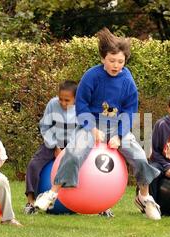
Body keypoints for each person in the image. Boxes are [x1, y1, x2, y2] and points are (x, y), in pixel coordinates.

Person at [34, 27, 162, 220]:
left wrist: (120, 134)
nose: (116, 65)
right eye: (112, 60)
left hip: (118, 126)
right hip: (90, 124)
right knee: (75, 152)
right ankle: (52, 193)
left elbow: (130, 111)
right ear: (103, 58)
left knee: (139, 156)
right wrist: (91, 128)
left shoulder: (128, 80)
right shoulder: (91, 76)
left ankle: (144, 197)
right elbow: (82, 106)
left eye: (120, 61)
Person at [23, 80, 77, 214]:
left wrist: (68, 149)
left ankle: (100, 206)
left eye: (67, 100)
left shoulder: (82, 108)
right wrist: (55, 146)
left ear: (75, 99)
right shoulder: (53, 104)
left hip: (73, 146)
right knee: (33, 165)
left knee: (88, 170)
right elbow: (45, 126)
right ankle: (31, 202)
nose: (63, 103)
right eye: (61, 99)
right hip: (52, 142)